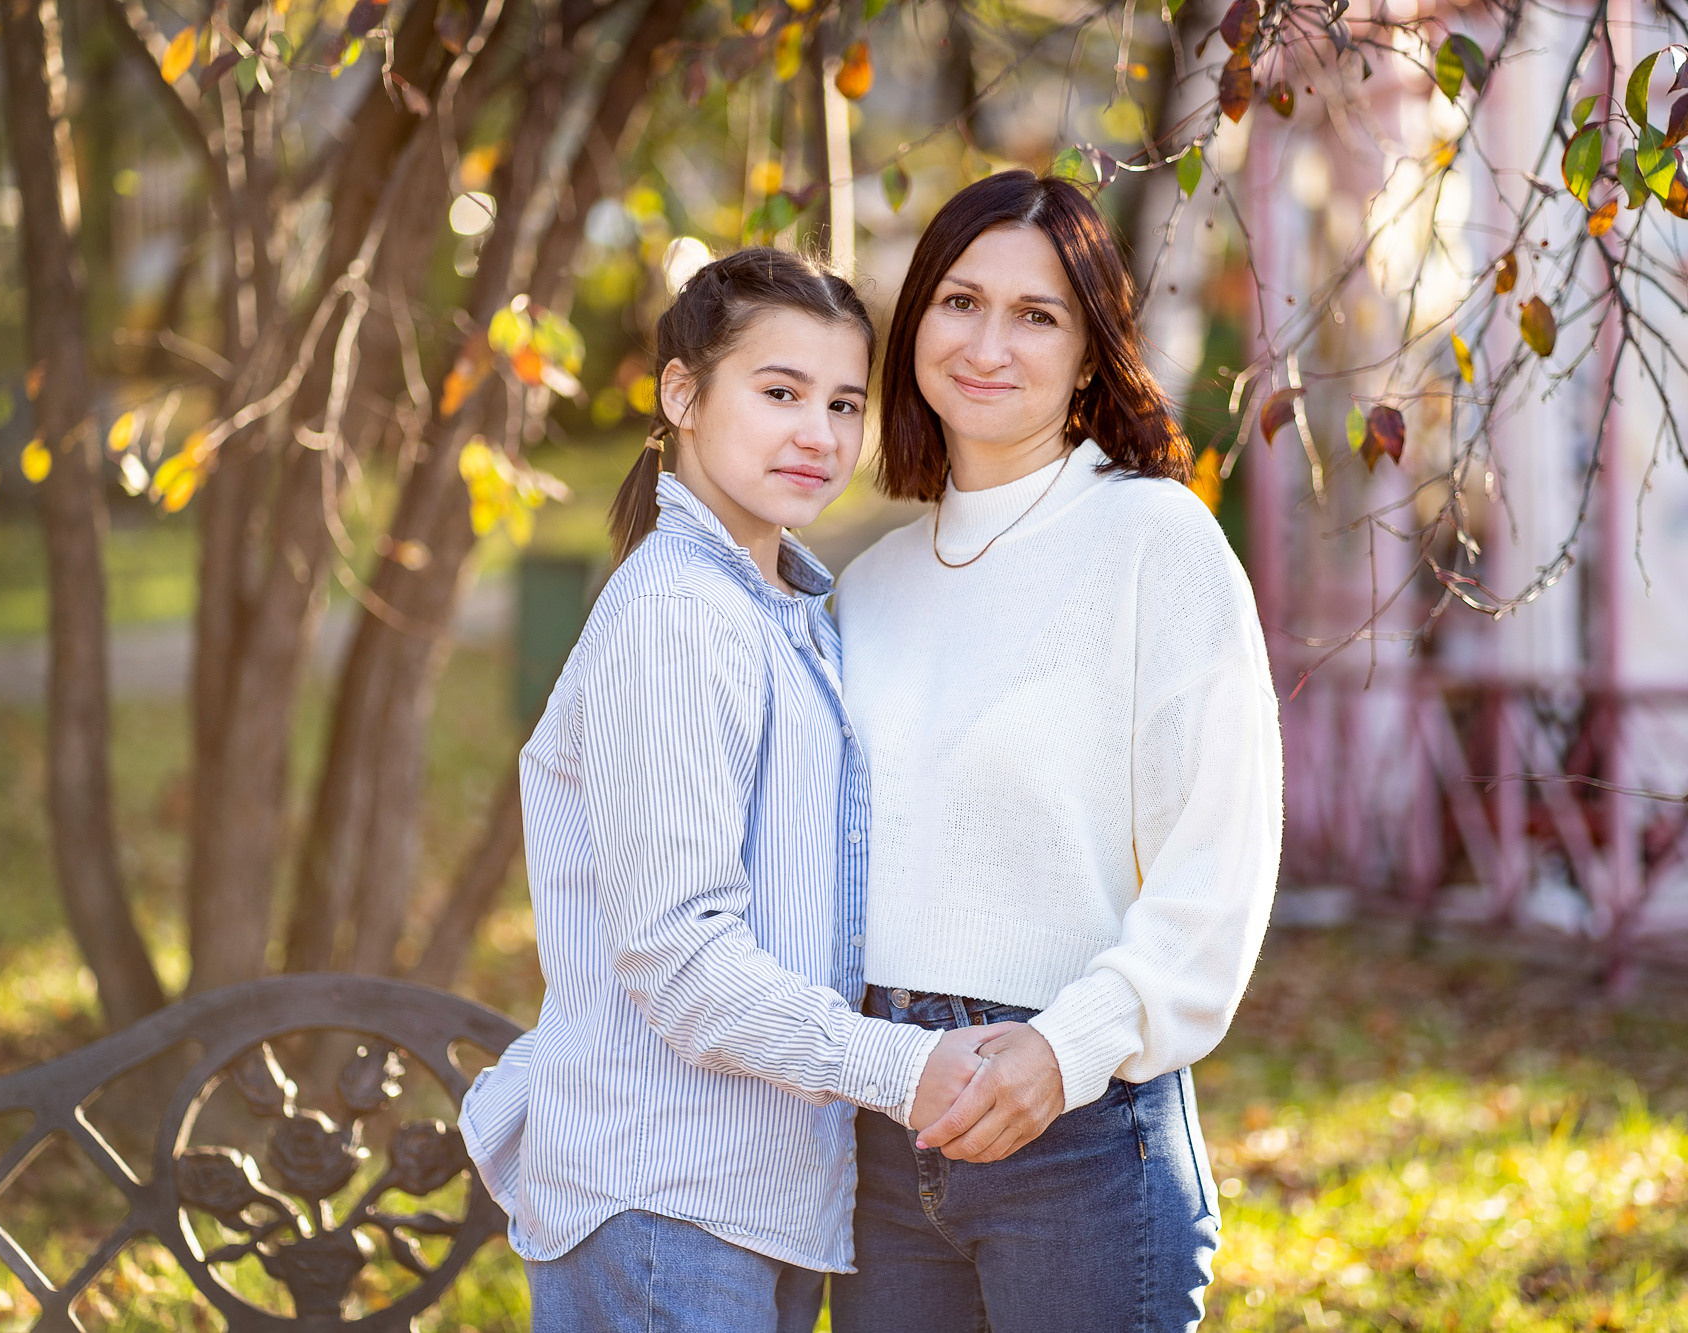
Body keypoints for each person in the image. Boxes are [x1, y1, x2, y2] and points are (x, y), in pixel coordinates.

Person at [458, 248, 997, 1333]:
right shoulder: (677, 615)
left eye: (844, 403)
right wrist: (907, 1066)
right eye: (780, 392)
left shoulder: (781, 612)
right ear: (681, 395)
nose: (818, 433)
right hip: (666, 1203)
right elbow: (681, 958)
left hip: (752, 1202)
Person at [829, 171, 1284, 1333]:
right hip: (881, 1131)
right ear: (915, 321)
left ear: (1090, 353)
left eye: (1036, 315)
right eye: (959, 301)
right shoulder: (865, 587)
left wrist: (1061, 1050)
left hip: (1081, 1137)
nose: (988, 343)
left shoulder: (1155, 541)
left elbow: (1216, 861)